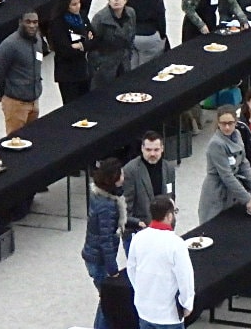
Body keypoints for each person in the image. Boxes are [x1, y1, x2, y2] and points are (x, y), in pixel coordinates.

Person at [127, 196, 195, 329]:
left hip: (144, 310)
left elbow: (131, 270)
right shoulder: (176, 244)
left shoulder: (138, 238)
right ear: (169, 216)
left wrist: (143, 292)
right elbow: (185, 277)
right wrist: (187, 304)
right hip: (169, 315)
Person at [198, 105, 251, 222]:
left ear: (236, 122)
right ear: (218, 123)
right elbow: (226, 176)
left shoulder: (237, 135)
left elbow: (244, 164)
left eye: (230, 123)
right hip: (217, 194)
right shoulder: (216, 144)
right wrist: (247, 199)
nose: (227, 127)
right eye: (223, 123)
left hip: (233, 193)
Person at [82, 157, 124, 329]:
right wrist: (113, 270)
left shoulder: (101, 196)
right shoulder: (107, 205)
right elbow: (105, 239)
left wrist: (136, 222)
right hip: (99, 261)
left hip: (94, 257)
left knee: (107, 300)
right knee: (108, 300)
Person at [0, 11, 43, 134]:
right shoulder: (10, 45)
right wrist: (2, 95)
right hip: (16, 104)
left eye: (35, 22)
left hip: (34, 101)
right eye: (28, 22)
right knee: (15, 141)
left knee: (34, 138)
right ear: (20, 22)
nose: (32, 26)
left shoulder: (38, 39)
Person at [122, 133, 175, 251]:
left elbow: (171, 194)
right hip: (139, 232)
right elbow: (125, 207)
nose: (152, 154)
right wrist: (137, 224)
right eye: (148, 150)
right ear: (142, 149)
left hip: (163, 230)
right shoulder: (130, 171)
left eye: (156, 150)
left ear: (162, 149)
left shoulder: (168, 168)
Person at [49, 0, 93, 104]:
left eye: (79, 3)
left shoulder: (82, 16)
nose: (77, 7)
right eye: (74, 4)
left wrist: (81, 45)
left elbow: (94, 39)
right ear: (66, 5)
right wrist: (85, 42)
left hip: (83, 70)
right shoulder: (58, 23)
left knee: (86, 103)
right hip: (67, 74)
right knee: (71, 106)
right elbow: (65, 50)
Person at [88, 0, 136, 89]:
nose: (116, 0)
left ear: (125, 0)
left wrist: (129, 54)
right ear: (109, 0)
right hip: (106, 64)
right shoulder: (100, 18)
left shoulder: (131, 13)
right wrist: (99, 64)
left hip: (123, 62)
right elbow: (91, 43)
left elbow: (132, 35)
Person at [122, 0, 167, 67]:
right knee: (146, 71)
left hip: (129, 35)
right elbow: (160, 14)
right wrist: (162, 34)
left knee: (132, 71)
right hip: (149, 36)